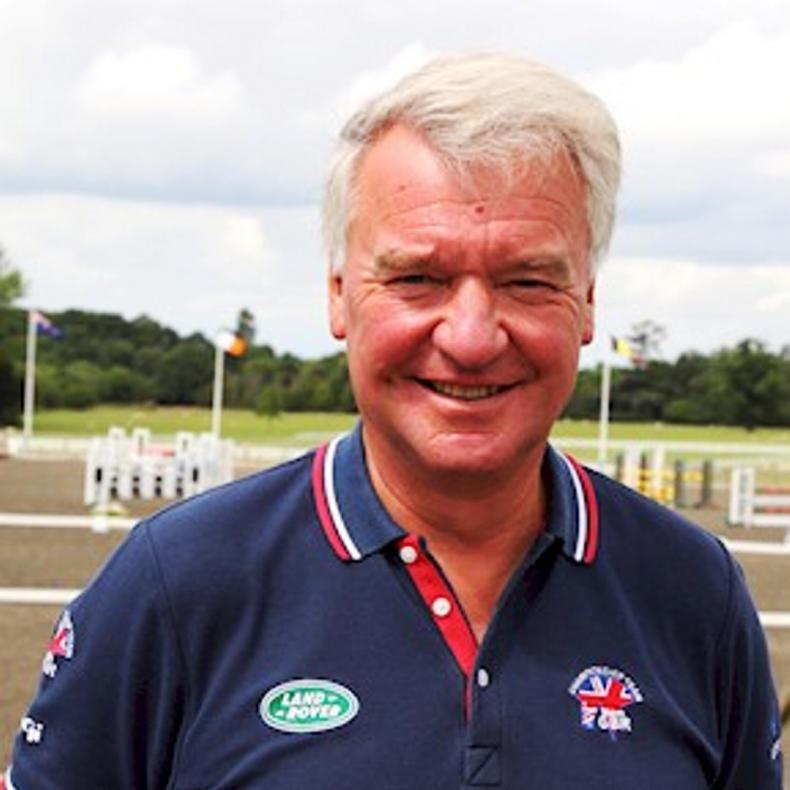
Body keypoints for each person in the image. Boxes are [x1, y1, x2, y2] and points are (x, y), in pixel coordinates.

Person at [4, 52, 783, 789]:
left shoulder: (696, 592)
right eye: (417, 277)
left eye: (527, 281)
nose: (471, 337)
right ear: (339, 296)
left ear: (585, 305)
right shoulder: (176, 583)